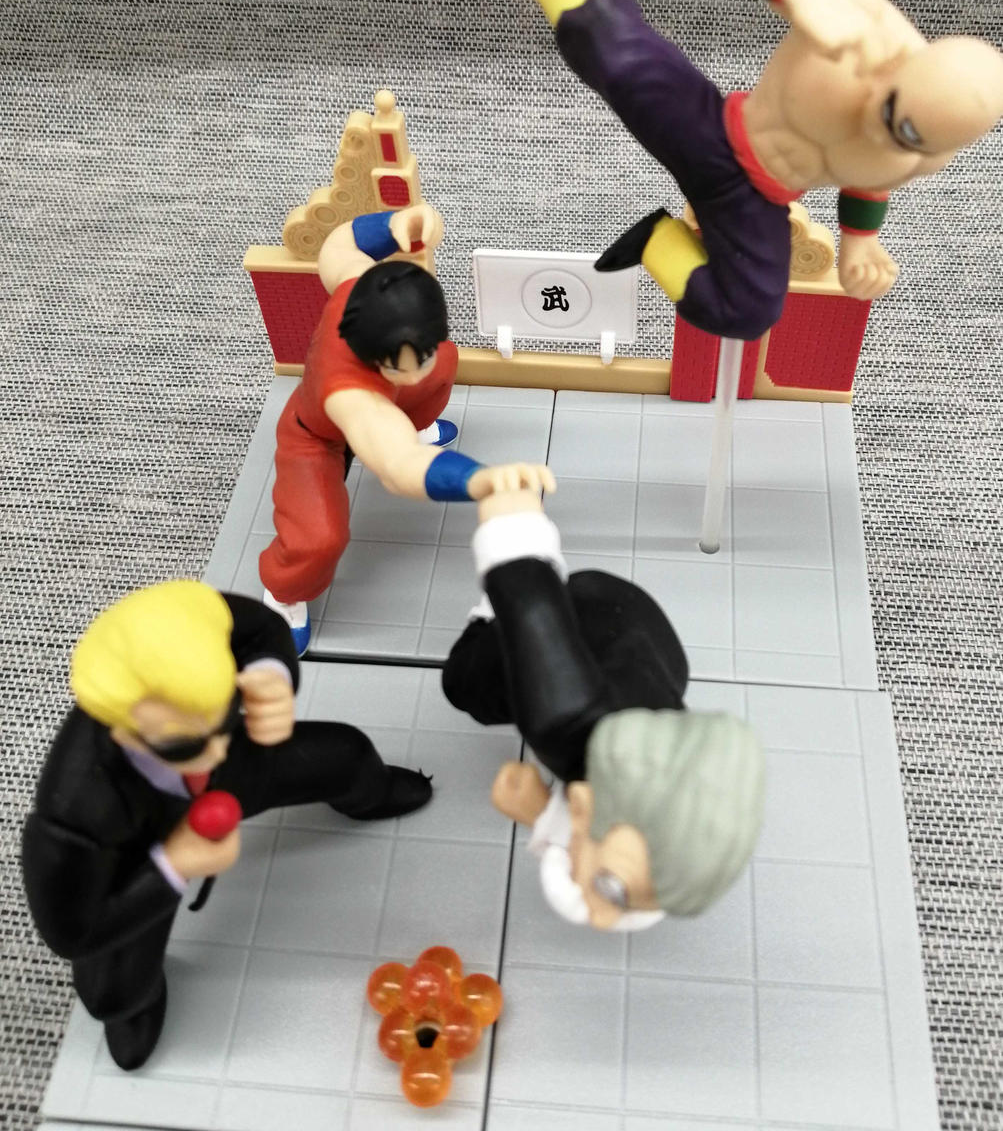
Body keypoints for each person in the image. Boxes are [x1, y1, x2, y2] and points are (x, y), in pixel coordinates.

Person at [473, 0, 1003, 339]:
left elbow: (870, 182)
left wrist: (860, 241)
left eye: (908, 139)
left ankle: (656, 242)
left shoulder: (921, 158)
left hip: (753, 201)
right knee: (618, 55)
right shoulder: (863, 20)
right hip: (714, 129)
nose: (877, 134)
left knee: (747, 312)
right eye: (892, 114)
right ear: (906, 66)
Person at [22, 580, 433, 1070]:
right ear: (122, 729)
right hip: (136, 851)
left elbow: (260, 629)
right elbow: (70, 929)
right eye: (185, 743)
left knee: (346, 754)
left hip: (242, 767)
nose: (213, 751)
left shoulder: (201, 644)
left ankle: (371, 793)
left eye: (223, 713)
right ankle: (135, 1006)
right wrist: (172, 865)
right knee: (112, 987)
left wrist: (269, 676)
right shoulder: (74, 807)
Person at [442, 489, 764, 931]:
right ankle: (487, 619)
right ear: (579, 805)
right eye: (611, 890)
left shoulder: (677, 767)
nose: (599, 916)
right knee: (462, 683)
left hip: (644, 635)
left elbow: (600, 829)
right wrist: (513, 519)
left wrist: (543, 814)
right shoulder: (560, 717)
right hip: (592, 612)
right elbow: (529, 600)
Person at [259, 201, 554, 652]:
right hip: (316, 435)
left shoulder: (359, 284)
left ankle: (416, 419)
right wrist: (478, 479)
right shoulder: (351, 396)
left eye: (423, 351)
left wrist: (393, 224)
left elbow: (339, 244)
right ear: (373, 357)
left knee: (445, 361)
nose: (419, 370)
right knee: (318, 540)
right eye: (404, 364)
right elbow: (399, 466)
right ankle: (282, 595)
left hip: (386, 403)